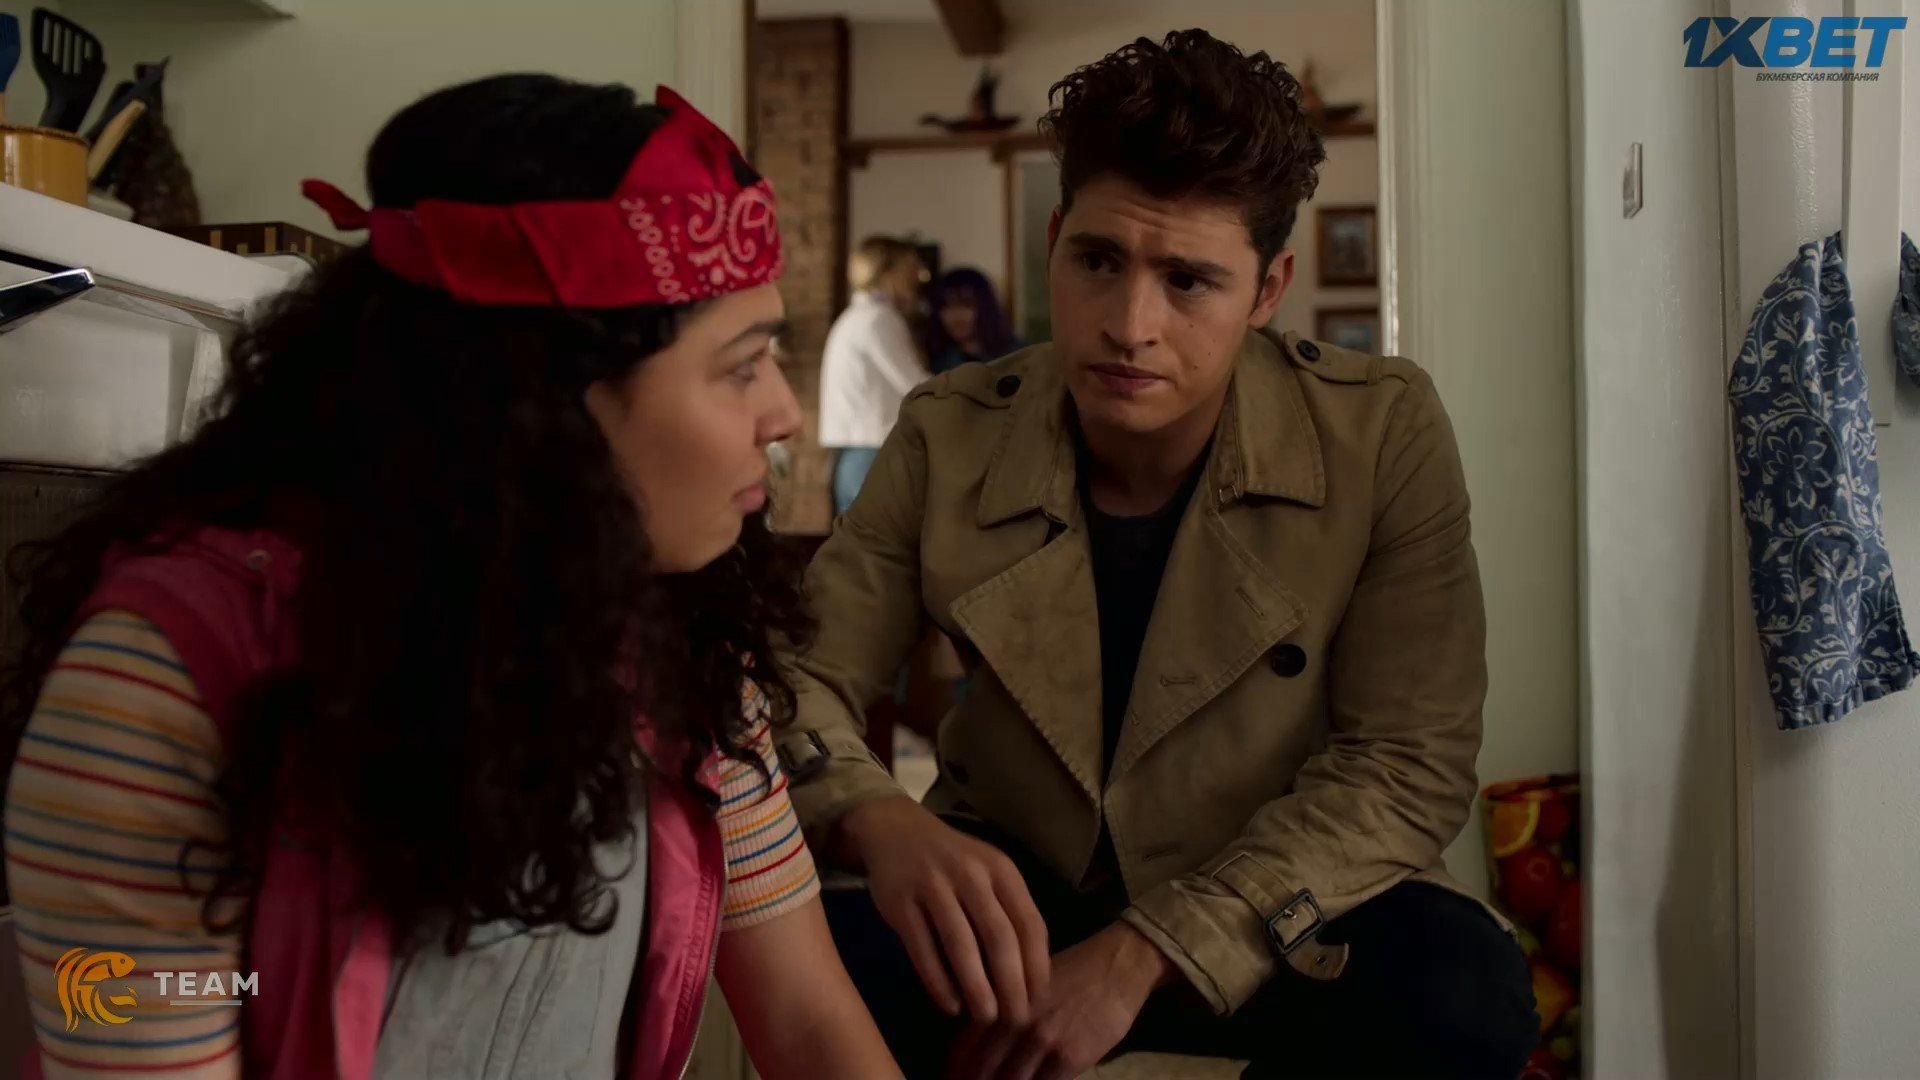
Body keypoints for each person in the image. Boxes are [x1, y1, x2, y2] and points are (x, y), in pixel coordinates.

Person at [0, 75, 901, 1080]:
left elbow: (811, 1024)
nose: (784, 415)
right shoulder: (160, 694)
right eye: (740, 367)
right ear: (549, 405)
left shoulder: (685, 651)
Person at [772, 30, 1538, 1080]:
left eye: (1189, 282)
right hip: (1014, 898)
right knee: (791, 948)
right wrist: (874, 821)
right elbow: (796, 680)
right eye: (1098, 262)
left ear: (1267, 290)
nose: (1129, 326)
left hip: (1273, 897)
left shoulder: (1379, 432)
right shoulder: (950, 430)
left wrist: (1150, 949)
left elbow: (1408, 764)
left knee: (1462, 994)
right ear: (1055, 241)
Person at [819, 236, 930, 514]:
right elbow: (916, 385)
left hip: (854, 457)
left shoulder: (855, 317)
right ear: (888, 273)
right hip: (872, 456)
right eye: (909, 270)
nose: (916, 279)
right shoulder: (878, 319)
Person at [925, 267, 1021, 375]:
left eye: (966, 304)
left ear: (984, 307)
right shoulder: (938, 362)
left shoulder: (1015, 355)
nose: (956, 315)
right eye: (946, 306)